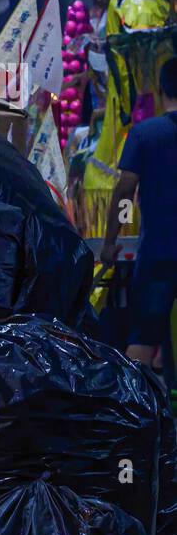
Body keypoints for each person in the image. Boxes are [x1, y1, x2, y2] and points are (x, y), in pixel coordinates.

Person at [102, 56, 177, 373]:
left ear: (161, 90)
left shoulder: (145, 135)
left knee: (142, 341)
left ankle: (136, 414)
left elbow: (124, 193)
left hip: (158, 254)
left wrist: (110, 241)